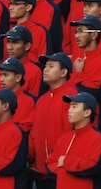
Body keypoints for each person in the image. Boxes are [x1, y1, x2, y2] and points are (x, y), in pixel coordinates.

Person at [29, 53, 78, 189]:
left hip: (60, 169)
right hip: (39, 170)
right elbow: (35, 132)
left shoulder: (71, 97)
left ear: (63, 72)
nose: (45, 69)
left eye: (51, 66)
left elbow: (71, 132)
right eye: (45, 66)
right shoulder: (41, 99)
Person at [46, 92, 101, 188]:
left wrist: (66, 162)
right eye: (69, 107)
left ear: (87, 112)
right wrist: (65, 170)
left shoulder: (98, 138)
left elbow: (93, 166)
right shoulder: (64, 138)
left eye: (74, 107)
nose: (69, 110)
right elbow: (50, 163)